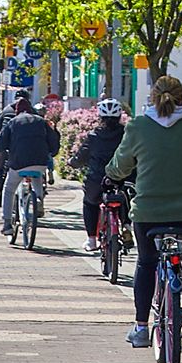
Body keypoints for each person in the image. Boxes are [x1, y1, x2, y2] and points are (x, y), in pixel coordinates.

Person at [105, 75, 182, 346]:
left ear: (153, 97)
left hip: (148, 212)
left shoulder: (138, 126)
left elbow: (120, 165)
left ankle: (141, 328)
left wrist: (112, 174)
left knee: (146, 263)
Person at [0, 96, 60, 240]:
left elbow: (0, 141)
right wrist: (52, 153)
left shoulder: (13, 122)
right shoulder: (42, 122)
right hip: (40, 162)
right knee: (36, 177)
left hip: (18, 162)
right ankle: (38, 201)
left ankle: (6, 224)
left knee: (9, 189)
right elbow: (54, 139)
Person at [71, 97, 128, 252]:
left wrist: (73, 163)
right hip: (122, 177)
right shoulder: (126, 134)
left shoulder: (94, 136)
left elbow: (81, 156)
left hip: (97, 179)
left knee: (89, 203)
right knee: (127, 198)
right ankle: (127, 226)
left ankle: (91, 240)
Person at [0, 92, 27, 198]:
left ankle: (2, 193)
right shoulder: (31, 111)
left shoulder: (6, 110)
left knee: (1, 169)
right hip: (23, 146)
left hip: (6, 143)